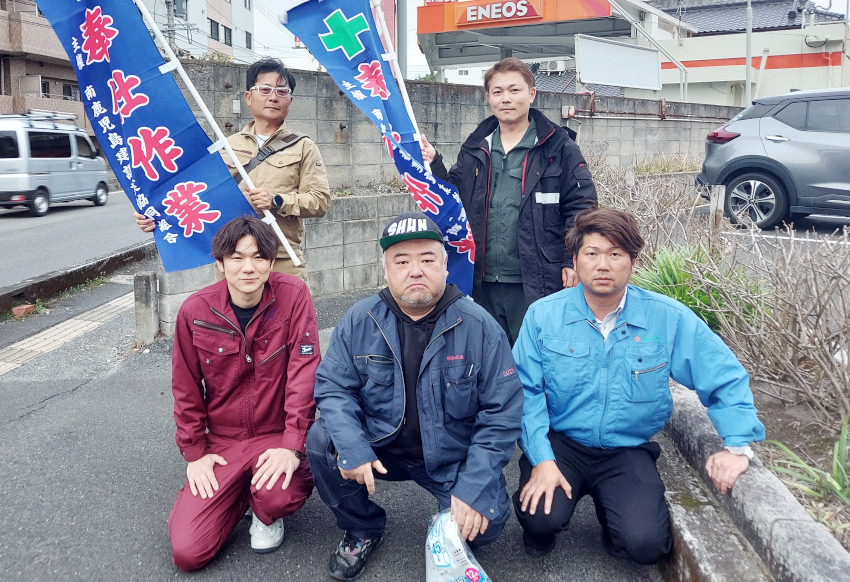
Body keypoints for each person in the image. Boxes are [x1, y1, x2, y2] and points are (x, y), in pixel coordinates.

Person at [511, 208, 765, 564]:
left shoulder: (666, 317)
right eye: (592, 253)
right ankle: (542, 530)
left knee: (645, 544)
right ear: (575, 260)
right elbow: (526, 392)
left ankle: (614, 521)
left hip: (626, 448)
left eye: (615, 254)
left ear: (632, 262)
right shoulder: (543, 315)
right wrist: (541, 459)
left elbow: (722, 374)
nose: (603, 265)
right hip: (562, 443)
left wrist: (736, 447)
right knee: (541, 517)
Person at [306, 212, 523, 581]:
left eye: (427, 259)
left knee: (488, 527)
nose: (415, 271)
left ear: (445, 265)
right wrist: (353, 447)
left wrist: (473, 487)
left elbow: (501, 414)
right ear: (386, 270)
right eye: (402, 261)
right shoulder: (360, 319)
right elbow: (333, 387)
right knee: (322, 441)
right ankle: (361, 527)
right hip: (380, 447)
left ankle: (447, 520)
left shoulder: (480, 326)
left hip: (448, 457)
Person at [168, 216, 319, 571]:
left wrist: (292, 445)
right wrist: (195, 453)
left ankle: (264, 511)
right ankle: (237, 495)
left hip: (276, 434)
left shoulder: (294, 295)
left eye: (259, 257)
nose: (248, 268)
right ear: (220, 263)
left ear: (271, 261)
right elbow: (185, 387)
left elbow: (304, 373)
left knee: (276, 497)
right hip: (224, 442)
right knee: (188, 553)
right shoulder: (195, 310)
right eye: (237, 258)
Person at [421, 57, 597, 345]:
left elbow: (582, 209)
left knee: (538, 353)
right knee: (488, 356)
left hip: (537, 279)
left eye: (514, 90)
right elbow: (455, 200)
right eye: (498, 91)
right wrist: (434, 162)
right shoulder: (476, 146)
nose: (506, 98)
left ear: (532, 93)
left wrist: (572, 259)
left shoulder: (558, 147)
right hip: (482, 280)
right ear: (488, 97)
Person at [135, 58, 330, 280]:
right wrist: (155, 215)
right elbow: (198, 195)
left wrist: (277, 200)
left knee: (289, 305)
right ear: (249, 97)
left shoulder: (304, 146)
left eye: (282, 91)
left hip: (281, 258)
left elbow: (320, 201)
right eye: (265, 89)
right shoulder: (225, 146)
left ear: (290, 100)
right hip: (232, 259)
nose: (273, 97)